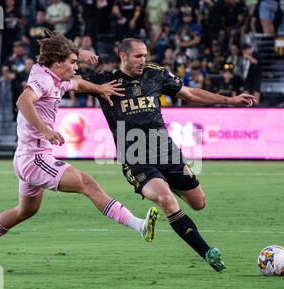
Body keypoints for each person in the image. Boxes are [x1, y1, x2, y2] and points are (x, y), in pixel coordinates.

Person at [0, 32, 159, 272]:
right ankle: (139, 226)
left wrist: (98, 88)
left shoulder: (56, 76)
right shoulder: (43, 80)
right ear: (57, 63)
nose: (76, 67)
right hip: (35, 158)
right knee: (88, 183)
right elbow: (23, 101)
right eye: (73, 63)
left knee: (25, 210)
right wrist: (45, 130)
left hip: (28, 157)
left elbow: (77, 83)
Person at [85, 38, 256, 272]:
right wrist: (83, 59)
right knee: (166, 200)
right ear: (122, 55)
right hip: (136, 159)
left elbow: (189, 93)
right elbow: (69, 81)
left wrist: (229, 101)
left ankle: (165, 184)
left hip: (166, 151)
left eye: (145, 55)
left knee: (199, 203)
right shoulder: (105, 80)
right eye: (137, 56)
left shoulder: (155, 74)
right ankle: (206, 251)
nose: (143, 60)